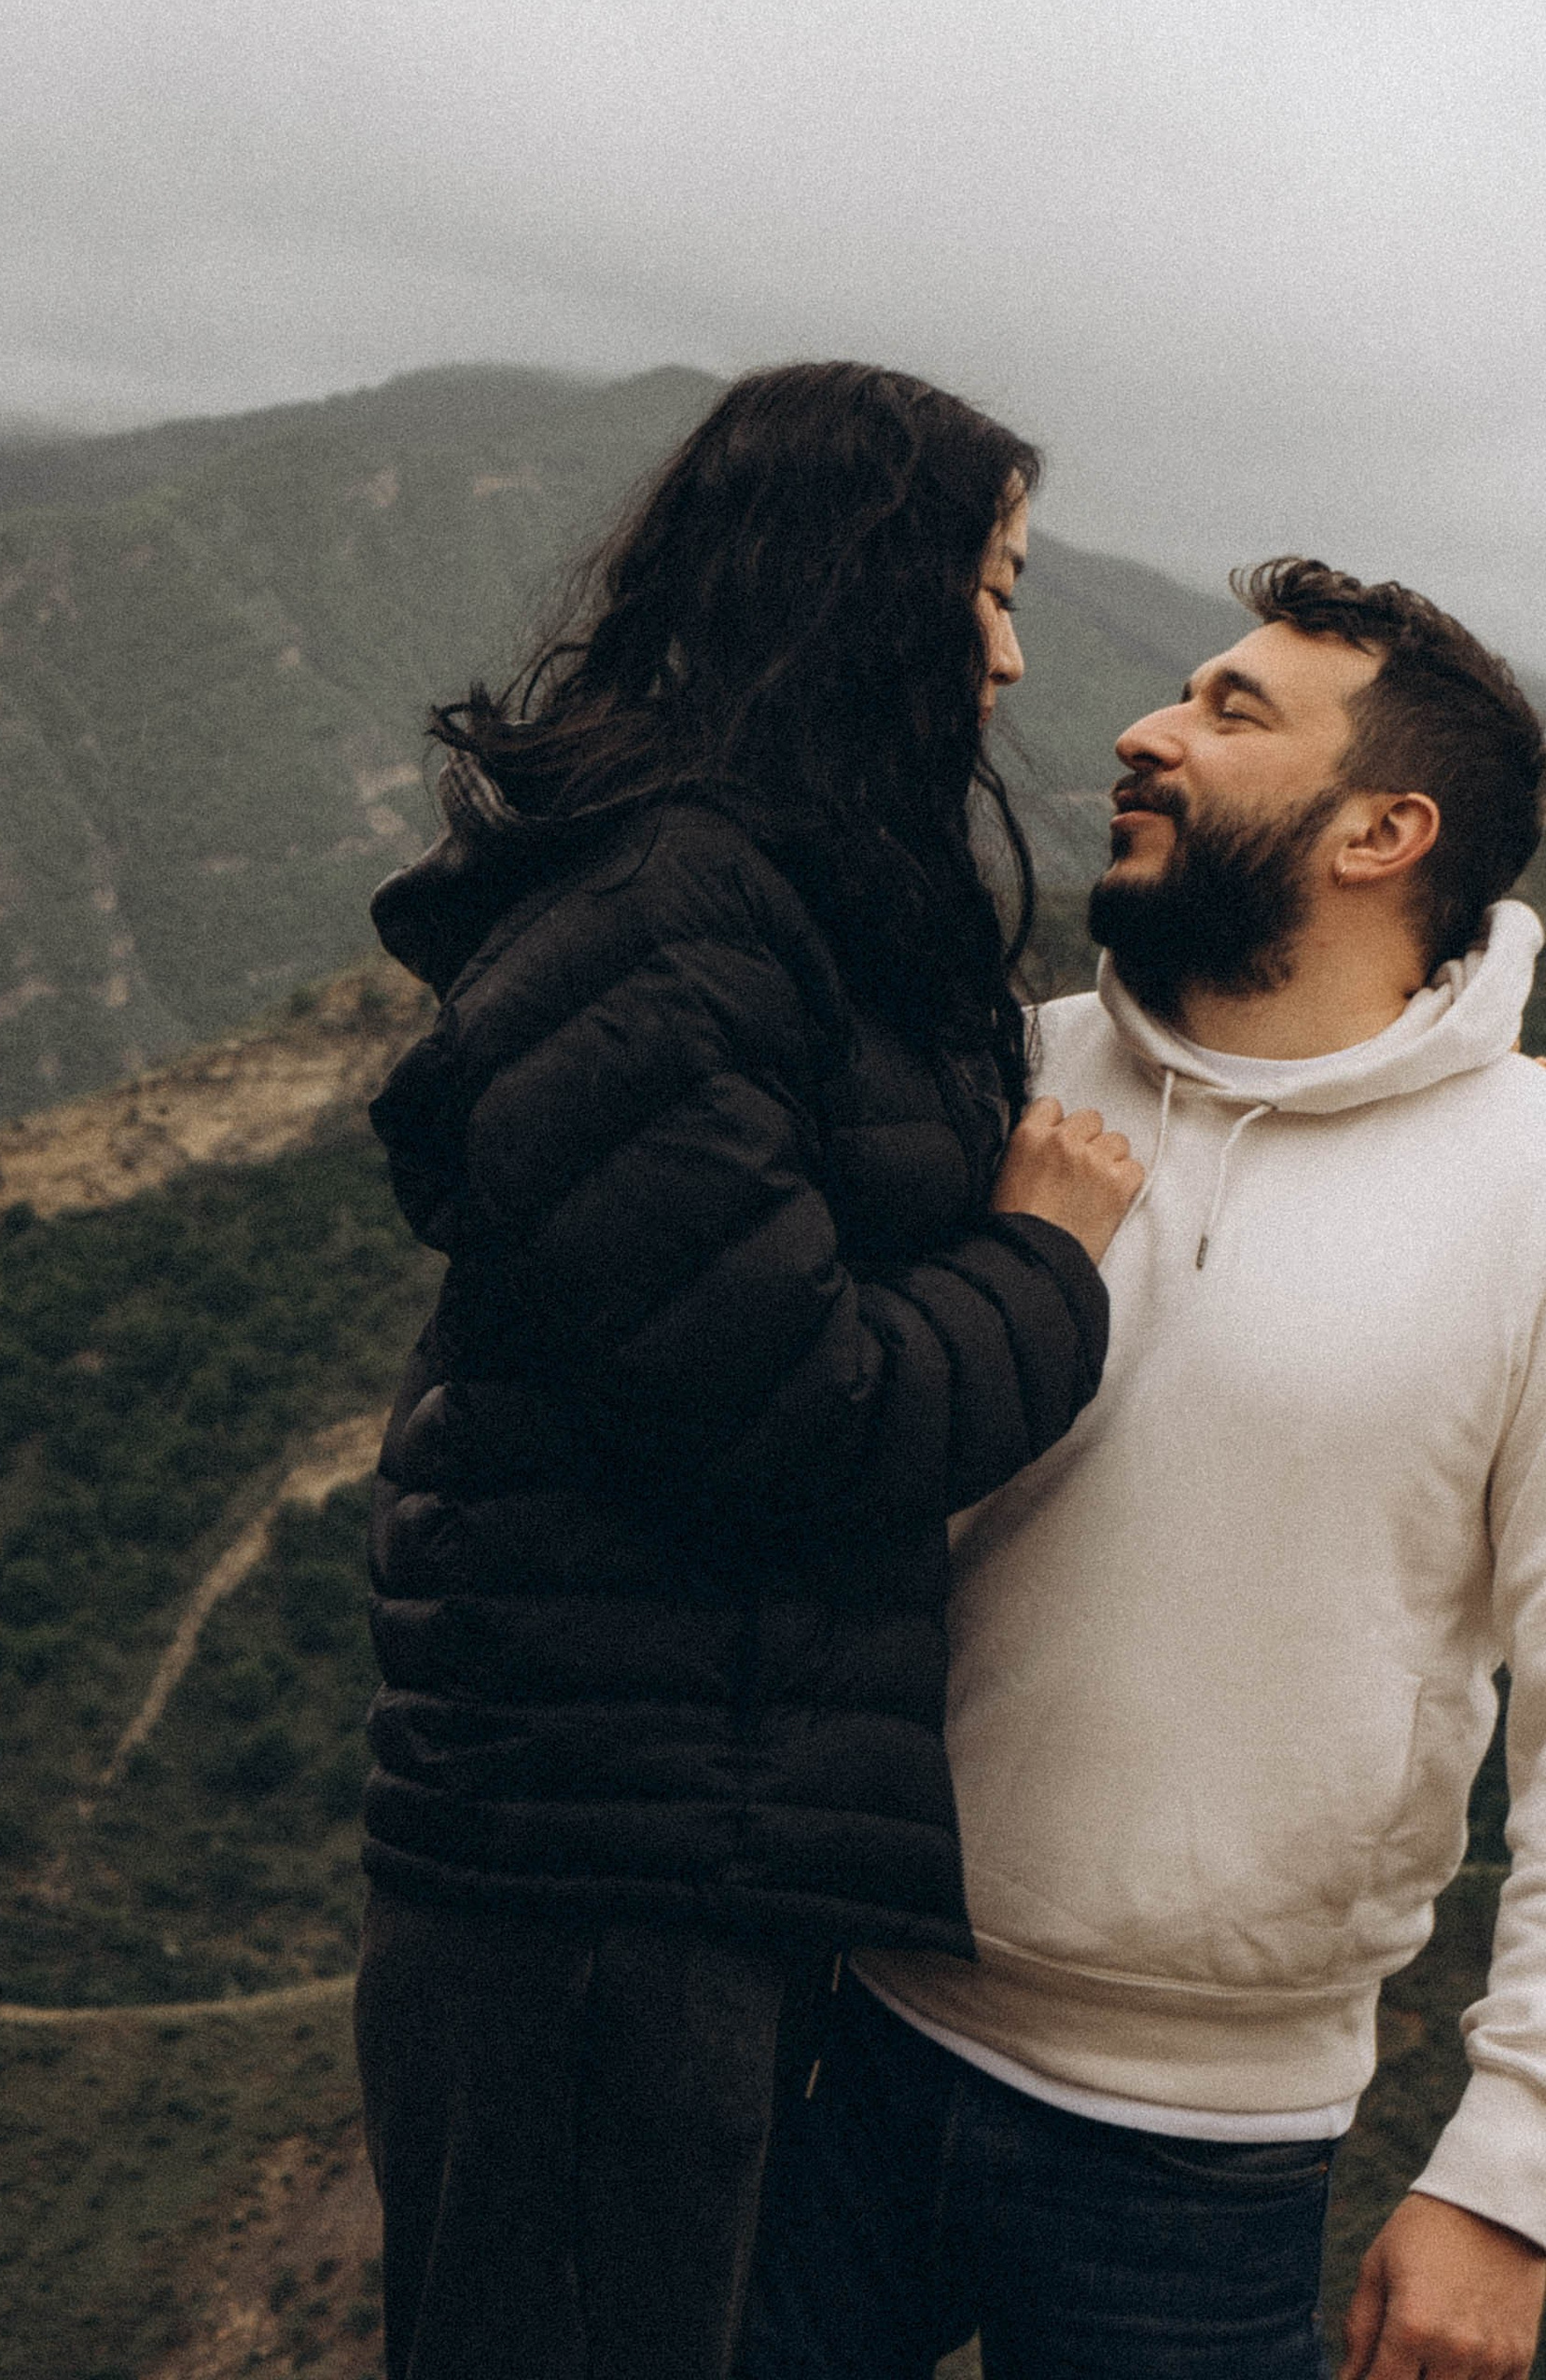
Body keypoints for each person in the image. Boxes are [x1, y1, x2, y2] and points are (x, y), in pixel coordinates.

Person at [744, 559, 1546, 2380]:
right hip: (835, 2055)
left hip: (1198, 2162)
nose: (1139, 727)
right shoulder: (1007, 1086)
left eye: (1226, 710)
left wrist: (1510, 2168)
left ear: (1383, 827)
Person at [351, 363, 1144, 2380]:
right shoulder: (660, 919)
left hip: (690, 1841)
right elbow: (809, 1408)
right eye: (983, 592)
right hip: (593, 1878)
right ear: (852, 593)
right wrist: (1047, 1263)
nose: (1010, 653)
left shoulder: (772, 902)